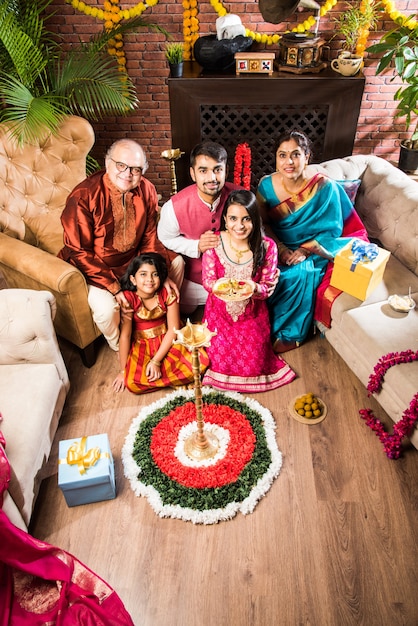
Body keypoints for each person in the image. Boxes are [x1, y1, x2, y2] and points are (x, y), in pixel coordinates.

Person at [59, 139, 183, 352]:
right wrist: (114, 287)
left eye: (135, 169)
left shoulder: (147, 189)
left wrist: (159, 274)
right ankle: (121, 346)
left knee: (178, 263)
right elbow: (79, 251)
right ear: (107, 164)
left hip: (133, 262)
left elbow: (149, 236)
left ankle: (155, 321)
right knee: (107, 310)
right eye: (121, 166)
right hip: (94, 270)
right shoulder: (84, 195)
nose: (128, 174)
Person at [256, 130, 369, 353]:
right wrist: (280, 248)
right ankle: (255, 330)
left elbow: (332, 230)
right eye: (282, 155)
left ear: (307, 157)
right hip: (275, 245)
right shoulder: (265, 186)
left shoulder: (324, 187)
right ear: (276, 158)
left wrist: (304, 251)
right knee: (262, 273)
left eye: (295, 154)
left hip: (313, 248)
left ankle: (288, 333)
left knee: (299, 273)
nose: (289, 161)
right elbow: (262, 224)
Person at [201, 189, 296, 393]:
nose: (240, 225)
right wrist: (223, 285)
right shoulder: (214, 243)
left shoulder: (267, 246)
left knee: (255, 362)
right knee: (217, 360)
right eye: (233, 218)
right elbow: (207, 281)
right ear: (225, 219)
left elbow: (266, 289)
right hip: (219, 316)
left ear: (255, 220)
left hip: (252, 316)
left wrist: (253, 288)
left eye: (246, 219)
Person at [157, 141, 241, 314]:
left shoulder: (241, 197)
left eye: (218, 169)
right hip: (194, 282)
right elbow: (164, 238)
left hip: (235, 280)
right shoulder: (174, 207)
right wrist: (196, 246)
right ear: (193, 174)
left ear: (226, 170)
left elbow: (258, 234)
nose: (212, 178)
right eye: (203, 171)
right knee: (185, 316)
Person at [112, 253, 209, 394]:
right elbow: (125, 336)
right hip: (142, 344)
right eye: (143, 274)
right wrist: (122, 371)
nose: (149, 280)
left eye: (155, 274)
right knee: (131, 383)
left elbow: (173, 330)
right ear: (133, 279)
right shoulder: (128, 299)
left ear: (161, 278)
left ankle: (167, 378)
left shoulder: (168, 294)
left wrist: (156, 361)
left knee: (198, 363)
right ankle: (174, 381)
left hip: (169, 339)